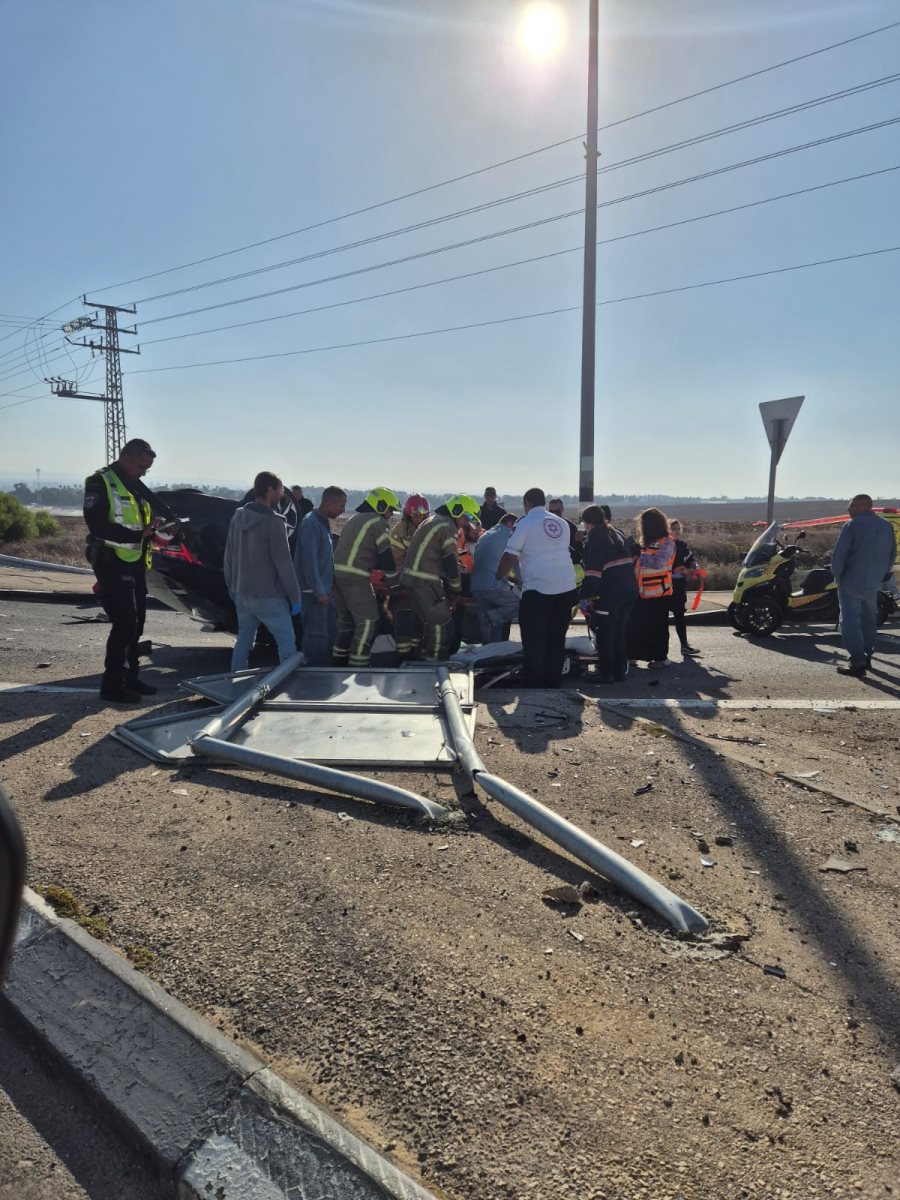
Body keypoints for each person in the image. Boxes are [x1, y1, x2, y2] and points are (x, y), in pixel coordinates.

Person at [83, 437, 166, 703]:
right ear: (126, 457)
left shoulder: (135, 485)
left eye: (147, 468)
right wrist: (140, 533)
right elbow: (98, 526)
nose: (144, 472)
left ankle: (130, 678)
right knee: (124, 624)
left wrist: (155, 531)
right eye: (141, 466)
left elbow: (139, 525)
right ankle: (112, 685)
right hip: (112, 562)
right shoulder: (100, 482)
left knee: (138, 623)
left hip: (136, 562)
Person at [496, 488, 577, 688]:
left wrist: (498, 576)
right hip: (566, 586)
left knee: (534, 637)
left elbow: (510, 555)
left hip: (539, 588)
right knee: (556, 636)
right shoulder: (561, 523)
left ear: (526, 503)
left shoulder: (524, 523)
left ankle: (534, 681)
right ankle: (553, 679)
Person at [224, 471, 303, 672]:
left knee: (243, 641)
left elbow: (229, 556)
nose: (282, 493)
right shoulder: (274, 522)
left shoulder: (238, 516)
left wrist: (232, 587)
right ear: (270, 491)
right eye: (280, 489)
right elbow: (284, 564)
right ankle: (286, 686)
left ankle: (236, 684)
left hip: (242, 594)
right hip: (270, 597)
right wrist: (295, 597)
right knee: (286, 643)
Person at [401, 495, 480, 662]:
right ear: (458, 511)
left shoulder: (434, 521)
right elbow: (450, 562)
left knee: (427, 626)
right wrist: (456, 588)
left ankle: (421, 660)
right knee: (442, 625)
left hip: (413, 579)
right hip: (425, 580)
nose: (468, 522)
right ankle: (434, 665)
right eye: (469, 517)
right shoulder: (447, 527)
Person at [332, 487, 401, 668]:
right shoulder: (377, 522)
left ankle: (338, 662)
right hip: (355, 578)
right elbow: (386, 555)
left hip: (336, 576)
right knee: (368, 621)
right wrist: (394, 585)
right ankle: (358, 665)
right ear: (381, 506)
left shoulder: (354, 519)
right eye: (390, 510)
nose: (391, 515)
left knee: (346, 623)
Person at [830, 493, 896, 677]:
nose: (848, 510)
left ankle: (857, 663)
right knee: (868, 620)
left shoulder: (852, 525)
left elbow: (839, 556)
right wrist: (882, 575)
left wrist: (837, 576)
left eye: (850, 507)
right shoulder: (886, 526)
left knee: (850, 622)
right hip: (874, 582)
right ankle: (867, 656)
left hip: (851, 582)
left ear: (861, 506)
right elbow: (892, 554)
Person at [579, 505, 638, 683]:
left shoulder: (596, 539)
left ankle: (606, 673)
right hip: (629, 590)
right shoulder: (616, 532)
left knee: (606, 633)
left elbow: (593, 575)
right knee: (619, 632)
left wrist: (584, 595)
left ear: (588, 523)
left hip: (610, 593)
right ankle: (619, 672)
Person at [294, 486, 347, 667]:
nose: (343, 511)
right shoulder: (311, 524)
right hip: (314, 594)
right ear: (330, 503)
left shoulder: (322, 522)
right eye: (341, 506)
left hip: (324, 593)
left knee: (327, 638)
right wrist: (319, 591)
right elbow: (309, 562)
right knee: (315, 640)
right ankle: (311, 679)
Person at [627, 507, 676, 668]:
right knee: (636, 625)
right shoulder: (643, 541)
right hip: (640, 591)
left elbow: (659, 562)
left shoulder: (667, 541)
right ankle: (632, 655)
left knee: (658, 627)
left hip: (659, 592)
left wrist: (639, 555)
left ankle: (660, 658)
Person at [470, 512, 520, 644]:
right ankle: (488, 618)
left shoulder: (485, 535)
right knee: (521, 603)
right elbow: (514, 562)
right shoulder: (510, 534)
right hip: (493, 586)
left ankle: (490, 652)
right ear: (510, 524)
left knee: (495, 624)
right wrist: (523, 582)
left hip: (476, 586)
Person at [668, 519, 700, 656]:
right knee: (661, 619)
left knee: (679, 616)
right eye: (673, 528)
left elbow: (691, 561)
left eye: (678, 528)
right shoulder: (662, 546)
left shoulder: (682, 546)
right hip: (663, 587)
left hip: (678, 586)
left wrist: (693, 569)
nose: (676, 531)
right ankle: (660, 653)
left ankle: (684, 646)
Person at [548, 498, 582, 566]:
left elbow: (577, 551)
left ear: (562, 509)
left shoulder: (571, 527)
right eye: (551, 511)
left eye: (557, 511)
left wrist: (577, 542)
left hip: (565, 564)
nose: (554, 514)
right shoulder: (543, 526)